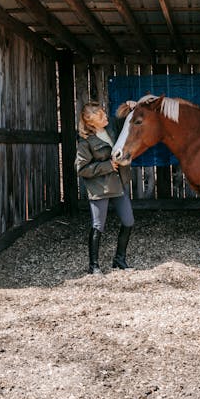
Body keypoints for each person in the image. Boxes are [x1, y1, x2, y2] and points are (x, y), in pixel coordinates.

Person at [75, 102, 135, 274]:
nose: (105, 117)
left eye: (103, 113)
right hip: (100, 188)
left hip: (118, 184)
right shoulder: (85, 142)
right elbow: (81, 168)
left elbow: (126, 120)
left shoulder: (111, 128)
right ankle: (93, 266)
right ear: (91, 122)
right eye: (101, 116)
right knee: (98, 226)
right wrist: (107, 166)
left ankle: (119, 260)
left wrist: (130, 105)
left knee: (128, 221)